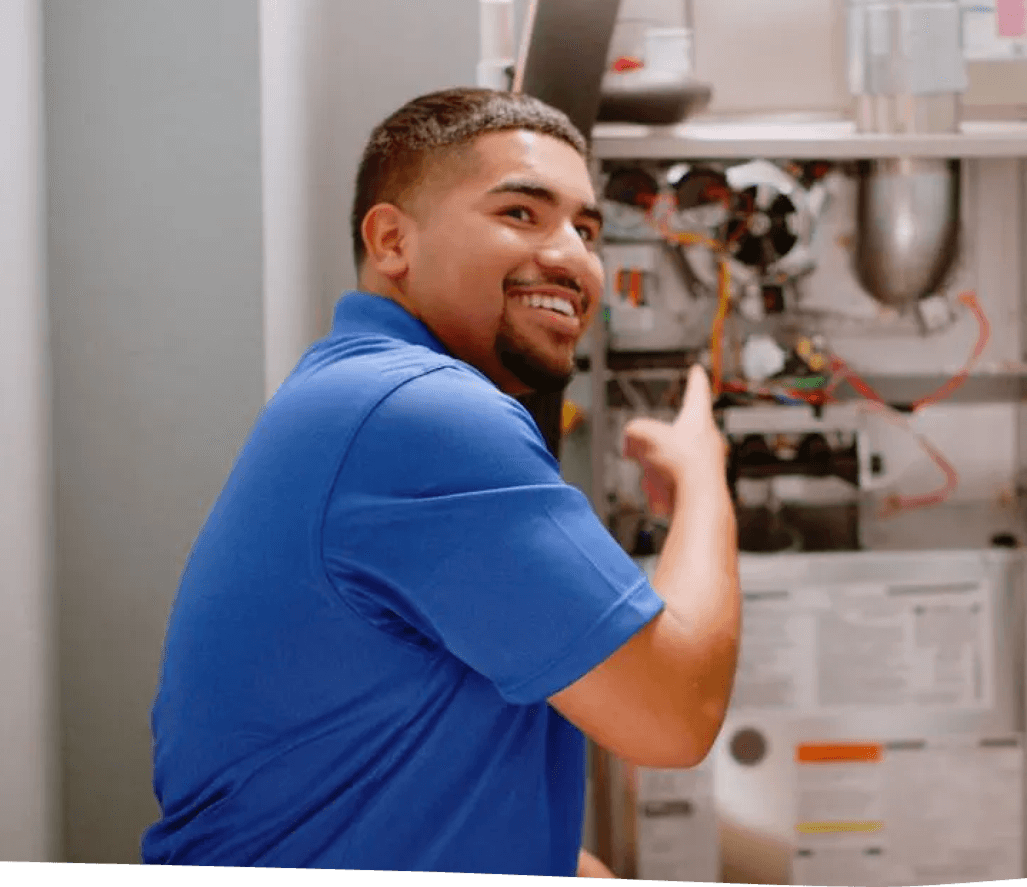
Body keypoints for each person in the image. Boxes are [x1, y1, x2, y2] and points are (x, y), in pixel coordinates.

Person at [141, 87, 740, 876]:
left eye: (585, 228)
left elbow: (431, 767)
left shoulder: (359, 396)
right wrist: (702, 481)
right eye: (520, 214)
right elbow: (675, 715)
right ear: (392, 240)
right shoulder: (423, 415)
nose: (570, 256)